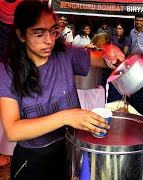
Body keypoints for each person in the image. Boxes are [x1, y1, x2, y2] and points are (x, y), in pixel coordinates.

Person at [0, 1, 124, 180]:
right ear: (20, 35)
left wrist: (109, 51)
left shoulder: (65, 54)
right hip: (33, 162)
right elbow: (13, 130)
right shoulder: (7, 71)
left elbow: (103, 59)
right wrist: (66, 116)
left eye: (52, 31)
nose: (49, 40)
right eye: (39, 34)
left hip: (69, 151)